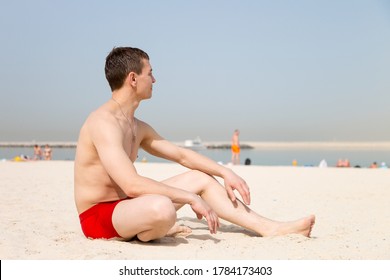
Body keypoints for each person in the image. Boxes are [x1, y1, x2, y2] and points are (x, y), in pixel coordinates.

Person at [74, 47, 315, 242]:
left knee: (200, 178)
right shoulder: (104, 122)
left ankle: (268, 227)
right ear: (133, 79)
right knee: (162, 209)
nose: (155, 79)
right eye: (150, 73)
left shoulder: (137, 125)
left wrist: (224, 171)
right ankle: (155, 227)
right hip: (99, 215)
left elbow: (181, 155)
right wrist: (190, 198)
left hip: (128, 207)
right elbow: (131, 184)